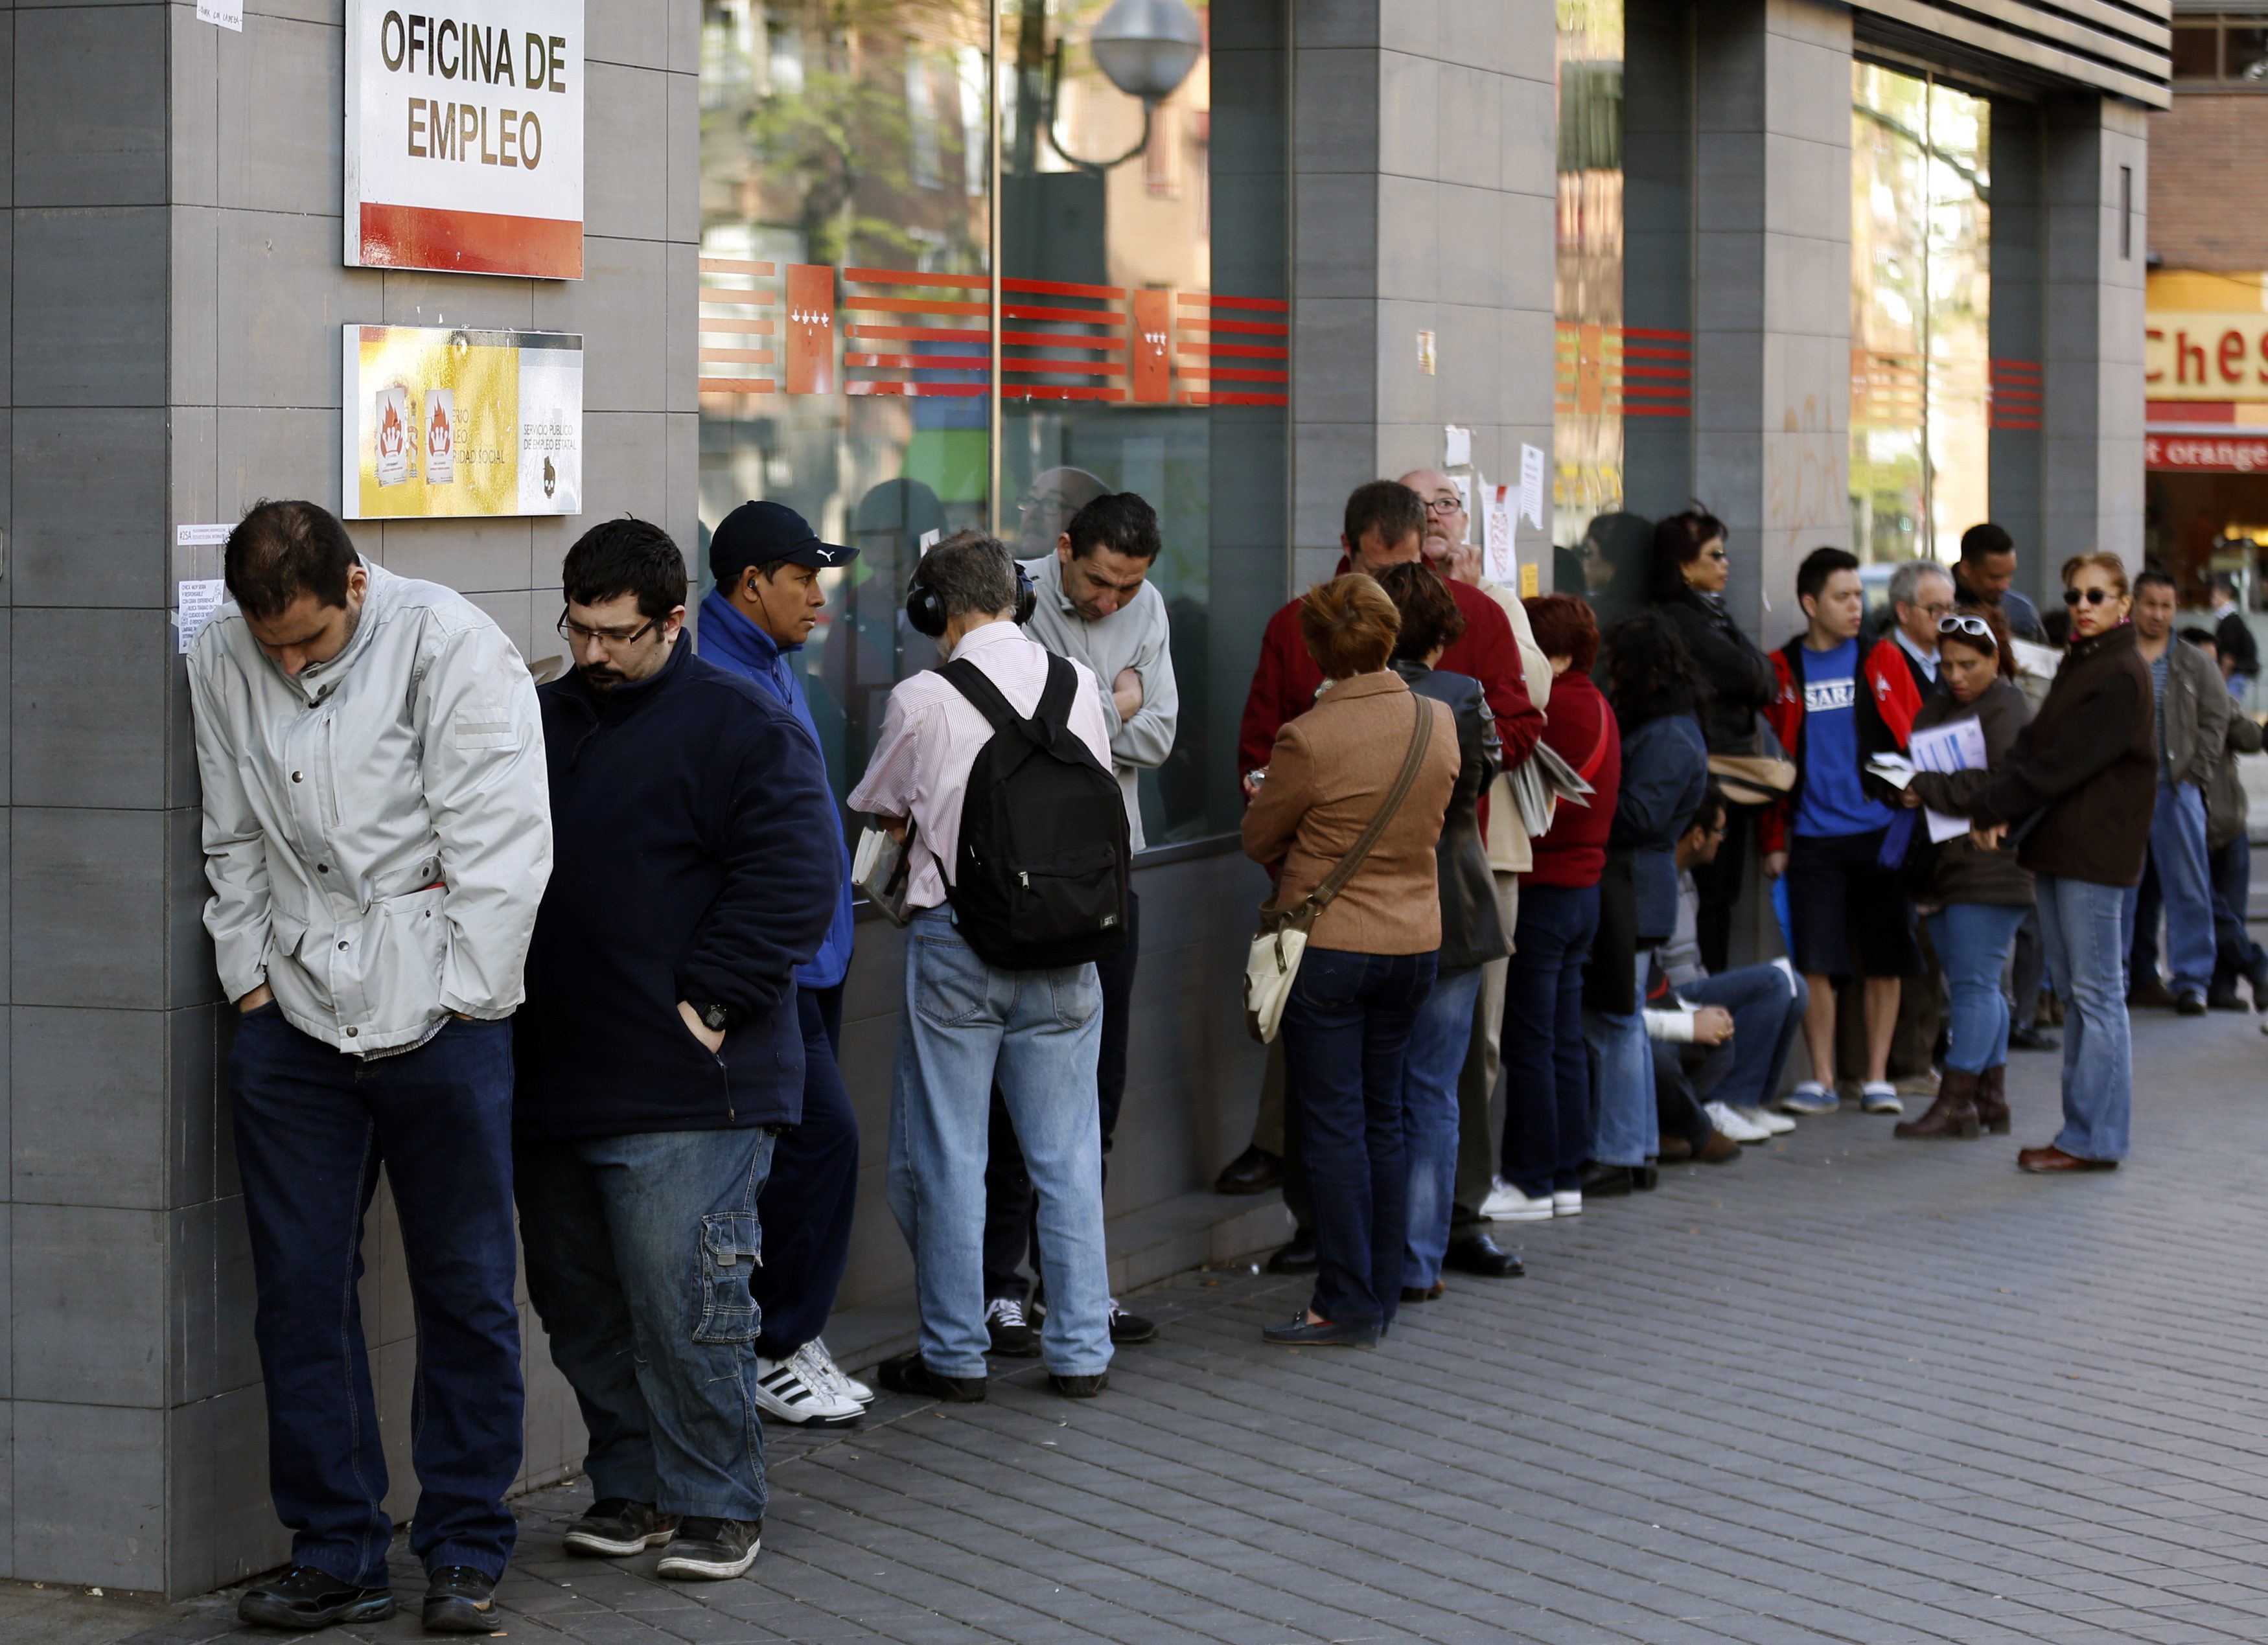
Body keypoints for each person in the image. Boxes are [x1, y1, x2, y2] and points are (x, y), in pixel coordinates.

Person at [189, 501, 552, 1633]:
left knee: (465, 1287)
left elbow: (504, 840)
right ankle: (338, 1549)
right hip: (290, 1014)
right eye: (271, 644)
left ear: (355, 585)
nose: (288, 661)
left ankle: (463, 1545)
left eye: (307, 639)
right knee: (299, 1293)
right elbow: (231, 830)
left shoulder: (450, 642)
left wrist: (464, 998)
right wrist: (247, 980)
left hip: (442, 1014)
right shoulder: (223, 653)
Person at [1220, 480, 1543, 1264]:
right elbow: (1260, 755)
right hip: (1333, 897)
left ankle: (1439, 1230)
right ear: (1354, 547)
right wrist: (1292, 868)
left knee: (1437, 1076)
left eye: (1415, 565)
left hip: (1439, 885)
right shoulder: (1299, 626)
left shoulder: (1472, 621)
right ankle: (1343, 1238)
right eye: (1386, 568)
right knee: (1336, 1084)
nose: (1400, 587)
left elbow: (1520, 725)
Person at [849, 531, 1120, 1399]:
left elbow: (881, 805)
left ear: (935, 610)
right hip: (1068, 947)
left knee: (946, 1154)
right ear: (1022, 600)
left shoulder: (922, 695)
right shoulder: (1078, 684)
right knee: (1068, 1154)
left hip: (959, 946)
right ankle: (1081, 1349)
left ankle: (955, 1353)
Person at [1242, 574, 1458, 1344]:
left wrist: (1261, 791)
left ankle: (1342, 1298)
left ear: (1313, 649)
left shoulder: (1308, 735)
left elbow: (1260, 838)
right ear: (1390, 635)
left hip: (1330, 948)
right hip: (1413, 942)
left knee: (1331, 1124)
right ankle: (1381, 1290)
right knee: (1386, 1118)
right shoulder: (1438, 720)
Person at [984, 491, 1177, 1353]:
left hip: (1110, 869)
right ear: (1064, 550)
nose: (1110, 602)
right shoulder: (1009, 597)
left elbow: (1162, 734)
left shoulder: (1150, 607)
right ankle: (1001, 1288)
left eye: (1126, 589)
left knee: (1098, 1087)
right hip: (1023, 873)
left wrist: (1098, 709)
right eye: (1099, 582)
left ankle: (1077, 1287)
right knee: (1011, 1093)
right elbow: (1027, 732)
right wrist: (1116, 698)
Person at [697, 500, 872, 1426]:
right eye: (803, 581)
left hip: (820, 954)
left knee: (803, 1149)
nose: (819, 600)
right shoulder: (719, 673)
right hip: (774, 966)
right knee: (824, 1140)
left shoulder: (768, 658)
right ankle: (774, 1344)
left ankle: (788, 1337)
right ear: (751, 584)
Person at [1924, 551, 2155, 1173]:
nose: (2083, 605)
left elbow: (2059, 763)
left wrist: (1989, 805)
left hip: (2092, 853)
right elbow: (2034, 747)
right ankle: (2085, 1132)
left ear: (2123, 605)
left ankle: (2094, 1138)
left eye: (2098, 596)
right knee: (2085, 996)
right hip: (2059, 845)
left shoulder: (2120, 671)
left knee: (2096, 995)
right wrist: (1998, 805)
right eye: (2075, 595)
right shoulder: (2086, 662)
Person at [1398, 467, 1550, 1278]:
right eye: (1416, 507)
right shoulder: (1352, 607)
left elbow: (1525, 715)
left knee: (1470, 1046)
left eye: (1446, 504)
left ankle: (1460, 1214)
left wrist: (1462, 771)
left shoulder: (1491, 608)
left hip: (1475, 854)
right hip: (1374, 868)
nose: (1433, 520)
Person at [1372, 562, 1509, 1300]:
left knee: (1374, 1088)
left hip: (1372, 908)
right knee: (1434, 1090)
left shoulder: (1345, 699)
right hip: (1457, 901)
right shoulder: (1464, 697)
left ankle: (1370, 1252)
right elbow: (1480, 782)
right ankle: (1419, 1261)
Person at [1760, 547, 1923, 1117]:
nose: (1858, 606)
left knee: (1885, 958)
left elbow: (1916, 737)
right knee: (1817, 961)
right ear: (1811, 603)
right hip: (1812, 838)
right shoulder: (1782, 669)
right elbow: (1772, 761)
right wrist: (1774, 839)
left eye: (1860, 595)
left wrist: (1914, 793)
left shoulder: (1882, 659)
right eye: (1843, 596)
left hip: (1882, 834)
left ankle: (1877, 1076)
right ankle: (1822, 1079)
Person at [1484, 596, 1621, 1221]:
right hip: (1583, 893)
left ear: (1557, 654)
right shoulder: (1598, 703)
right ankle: (1564, 1174)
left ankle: (1530, 1179)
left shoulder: (1557, 705)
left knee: (1530, 1040)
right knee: (1562, 1039)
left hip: (1545, 892)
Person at [1892, 608, 2035, 1139]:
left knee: (1974, 986)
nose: (1955, 675)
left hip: (1992, 865)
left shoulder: (2008, 704)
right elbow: (1926, 763)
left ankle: (1956, 1101)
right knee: (1981, 987)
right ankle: (1990, 1099)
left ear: (1995, 659)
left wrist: (1926, 784)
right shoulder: (1944, 704)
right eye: (1947, 664)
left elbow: (1998, 786)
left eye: (1968, 664)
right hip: (1950, 862)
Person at [1588, 609, 1711, 1194]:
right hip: (1638, 890)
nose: (1610, 679)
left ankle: (1620, 1151)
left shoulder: (1667, 734)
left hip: (1634, 891)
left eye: (1618, 668)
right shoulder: (1669, 726)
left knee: (1617, 1023)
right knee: (1625, 1022)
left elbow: (1639, 815)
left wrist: (1579, 799)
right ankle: (1633, 1149)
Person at [1647, 508, 1779, 976]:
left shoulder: (1713, 615)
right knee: (1708, 897)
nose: (1725, 564)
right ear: (1685, 566)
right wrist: (1753, 683)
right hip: (1707, 781)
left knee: (1722, 899)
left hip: (1730, 775)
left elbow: (1766, 678)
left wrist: (1755, 681)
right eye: (1714, 555)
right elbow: (1752, 673)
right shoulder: (1681, 620)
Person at [1649, 790, 1810, 1142]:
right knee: (1775, 982)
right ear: (1696, 837)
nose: (1723, 840)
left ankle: (1749, 1100)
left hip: (1693, 986)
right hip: (1668, 998)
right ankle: (1725, 1101)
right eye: (1720, 832)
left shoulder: (1686, 874)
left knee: (1794, 985)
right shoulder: (1656, 879)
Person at [1864, 559, 1957, 1096]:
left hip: (1940, 816)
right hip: (1899, 817)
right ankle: (1910, 1060)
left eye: (1951, 608)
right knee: (1910, 944)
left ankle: (1925, 1051)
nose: (1946, 619)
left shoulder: (1944, 661)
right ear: (1903, 611)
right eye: (1935, 609)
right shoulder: (1886, 657)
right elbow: (1901, 735)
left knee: (1934, 947)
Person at [2122, 569, 2228, 1016]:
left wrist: (2196, 772)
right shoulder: (2116, 655)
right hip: (2124, 791)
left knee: (2188, 886)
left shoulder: (2192, 660)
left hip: (2176, 788)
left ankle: (2192, 980)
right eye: (2151, 604)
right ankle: (2117, 977)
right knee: (2120, 889)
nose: (2159, 614)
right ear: (2134, 604)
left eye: (2167, 606)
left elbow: (2216, 718)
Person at [2181, 627, 2268, 1008]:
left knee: (2229, 910)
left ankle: (2222, 987)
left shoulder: (2224, 702)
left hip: (2229, 822)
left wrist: (2227, 707)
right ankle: (2256, 967)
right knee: (2207, 907)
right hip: (2187, 824)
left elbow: (2253, 739)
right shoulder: (2173, 705)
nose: (2211, 671)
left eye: (2214, 664)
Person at [1954, 522, 2048, 644]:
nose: (2004, 586)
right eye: (1995, 578)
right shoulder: (1937, 610)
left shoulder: (2021, 612)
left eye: (2009, 575)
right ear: (1966, 569)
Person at [2210, 572, 2258, 695]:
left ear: (2225, 596)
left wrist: (2222, 677)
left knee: (2228, 710)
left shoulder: (2229, 622)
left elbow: (2228, 655)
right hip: (2237, 674)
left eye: (2215, 597)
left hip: (2234, 675)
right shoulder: (2233, 620)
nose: (2212, 601)